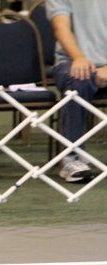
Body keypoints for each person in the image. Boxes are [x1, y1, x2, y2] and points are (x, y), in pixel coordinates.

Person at [46, 0, 107, 183]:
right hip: (71, 61)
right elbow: (61, 27)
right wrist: (79, 57)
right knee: (79, 79)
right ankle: (72, 158)